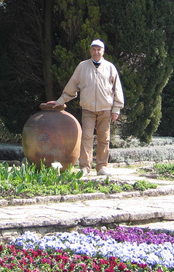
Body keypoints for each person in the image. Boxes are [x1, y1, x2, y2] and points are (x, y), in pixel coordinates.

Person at [45, 39, 124, 176]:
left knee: (104, 139)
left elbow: (118, 90)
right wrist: (60, 101)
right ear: (90, 51)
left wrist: (116, 109)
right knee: (86, 138)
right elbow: (72, 86)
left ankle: (101, 167)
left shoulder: (110, 67)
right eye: (93, 49)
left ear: (103, 51)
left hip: (105, 109)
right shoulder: (82, 66)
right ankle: (85, 168)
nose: (96, 52)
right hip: (88, 109)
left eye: (99, 49)